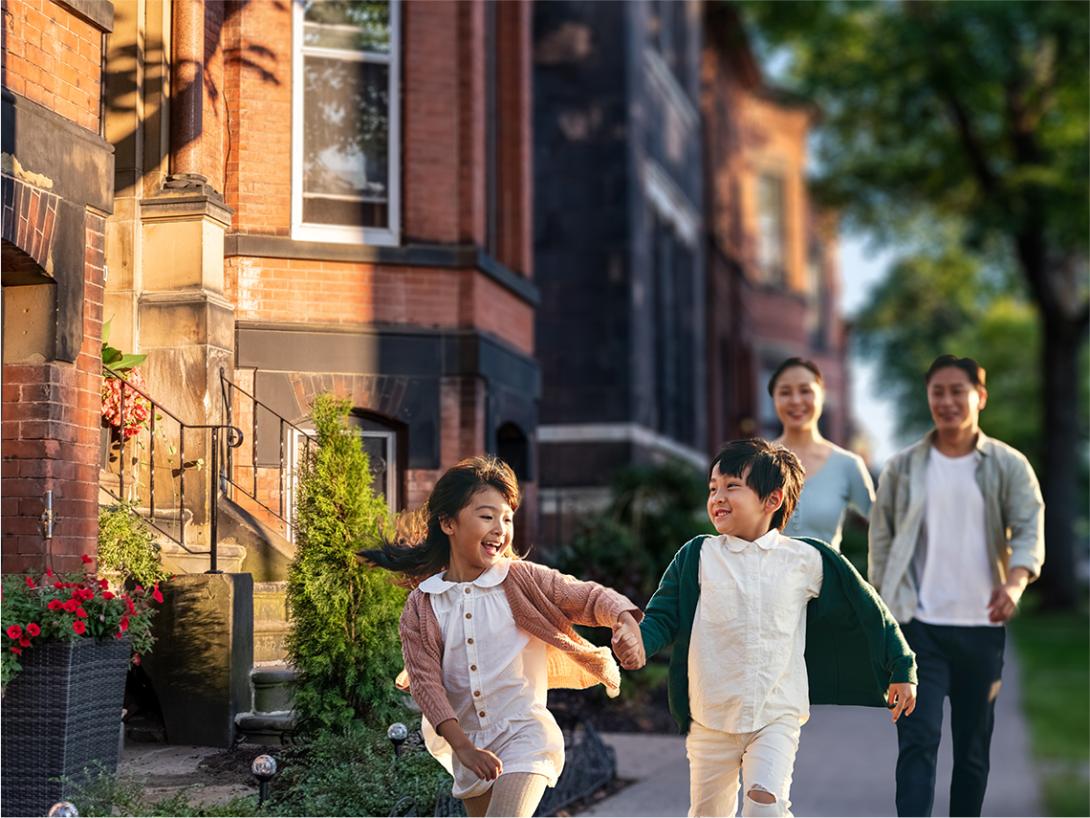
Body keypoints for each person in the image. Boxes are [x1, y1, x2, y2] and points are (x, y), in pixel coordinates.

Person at [617, 438, 917, 817]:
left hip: (776, 714)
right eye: (713, 488)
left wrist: (901, 665)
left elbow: (868, 610)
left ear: (771, 500)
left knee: (766, 807)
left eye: (732, 486)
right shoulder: (697, 556)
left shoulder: (806, 559)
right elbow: (662, 616)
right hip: (711, 717)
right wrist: (639, 643)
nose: (718, 497)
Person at [361, 455, 643, 818]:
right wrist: (463, 747)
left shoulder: (520, 580)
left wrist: (624, 620)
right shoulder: (423, 604)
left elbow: (586, 596)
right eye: (486, 516)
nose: (500, 528)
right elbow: (426, 683)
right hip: (466, 742)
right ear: (448, 523)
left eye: (507, 518)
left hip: (525, 732)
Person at [868, 355, 1045, 817]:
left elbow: (1029, 527)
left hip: (981, 629)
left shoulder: (1009, 465)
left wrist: (1015, 583)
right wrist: (881, 620)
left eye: (957, 391)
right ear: (929, 398)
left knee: (971, 750)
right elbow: (881, 543)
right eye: (937, 392)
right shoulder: (903, 467)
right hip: (916, 628)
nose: (946, 401)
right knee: (918, 742)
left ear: (979, 397)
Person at [769, 357, 875, 551]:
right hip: (765, 580)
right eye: (785, 392)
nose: (795, 400)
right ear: (773, 398)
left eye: (805, 391)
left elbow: (884, 526)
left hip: (828, 580)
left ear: (822, 395)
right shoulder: (755, 462)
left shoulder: (847, 465)